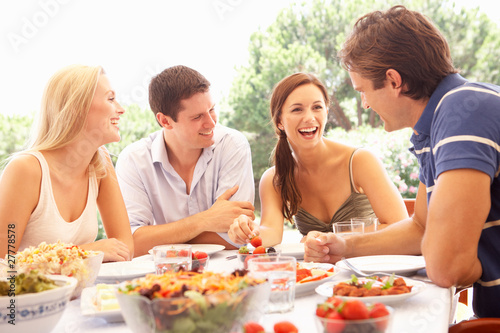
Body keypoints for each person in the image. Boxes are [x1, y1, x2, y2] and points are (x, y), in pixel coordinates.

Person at [304, 5, 500, 318]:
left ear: (394, 80)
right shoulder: (437, 125)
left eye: (363, 91)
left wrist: (469, 257)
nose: (365, 103)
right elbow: (421, 227)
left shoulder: (463, 112)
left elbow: (447, 267)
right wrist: (345, 246)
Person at [228, 72, 408, 247]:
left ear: (326, 112)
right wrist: (249, 231)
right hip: (321, 275)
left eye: (317, 107)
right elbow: (271, 233)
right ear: (280, 122)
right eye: (297, 109)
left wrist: (332, 237)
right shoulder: (275, 179)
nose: (309, 118)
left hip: (372, 269)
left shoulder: (360, 161)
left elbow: (400, 225)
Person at [115, 65, 255, 256]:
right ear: (165, 121)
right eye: (197, 117)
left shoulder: (232, 145)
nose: (211, 123)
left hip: (227, 273)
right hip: (163, 276)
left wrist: (160, 236)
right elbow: (131, 244)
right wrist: (205, 220)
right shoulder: (133, 160)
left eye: (211, 109)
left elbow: (237, 237)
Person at [0, 64, 134, 262]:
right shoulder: (25, 169)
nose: (121, 109)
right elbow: (5, 259)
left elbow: (125, 246)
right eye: (111, 99)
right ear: (78, 109)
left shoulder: (100, 163)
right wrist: (86, 252)